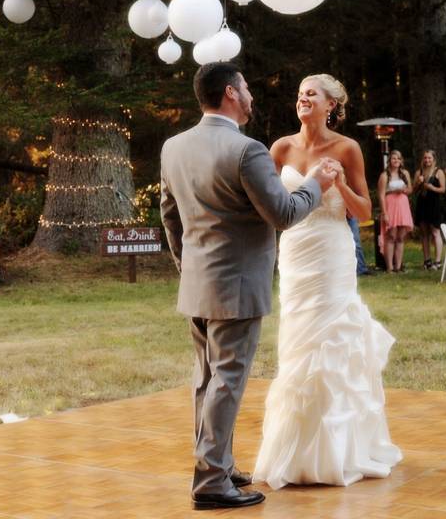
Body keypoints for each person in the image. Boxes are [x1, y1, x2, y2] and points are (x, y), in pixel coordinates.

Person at [160, 63, 339, 511]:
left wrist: (189, 265)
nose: (252, 96)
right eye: (246, 88)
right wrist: (316, 184)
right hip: (237, 286)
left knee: (206, 381)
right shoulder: (247, 150)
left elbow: (169, 214)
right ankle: (212, 484)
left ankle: (218, 463)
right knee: (227, 382)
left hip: (199, 284)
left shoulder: (173, 147)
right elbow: (282, 213)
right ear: (230, 94)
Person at [253, 73, 402, 489]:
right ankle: (293, 447)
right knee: (297, 342)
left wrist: (335, 183)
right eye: (300, 93)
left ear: (331, 104)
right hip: (297, 253)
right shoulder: (281, 147)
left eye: (311, 93)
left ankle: (340, 450)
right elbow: (266, 202)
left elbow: (365, 212)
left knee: (334, 341)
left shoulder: (347, 148)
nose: (303, 98)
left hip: (333, 253)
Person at [377, 150, 414, 272]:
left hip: (403, 205)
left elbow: (410, 190)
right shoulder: (384, 176)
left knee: (401, 237)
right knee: (391, 236)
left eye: (398, 158)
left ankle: (398, 266)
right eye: (394, 158)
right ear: (390, 161)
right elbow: (381, 195)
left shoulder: (405, 173)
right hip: (390, 205)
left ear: (401, 161)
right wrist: (384, 213)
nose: (396, 161)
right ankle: (389, 267)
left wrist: (403, 190)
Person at [412, 150, 446, 269]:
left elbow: (443, 190)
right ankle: (427, 260)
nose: (427, 160)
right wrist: (418, 182)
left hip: (434, 204)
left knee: (435, 232)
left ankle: (438, 261)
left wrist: (432, 187)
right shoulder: (419, 172)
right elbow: (413, 190)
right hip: (422, 204)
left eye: (429, 158)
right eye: (425, 158)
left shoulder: (438, 172)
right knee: (424, 233)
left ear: (434, 159)